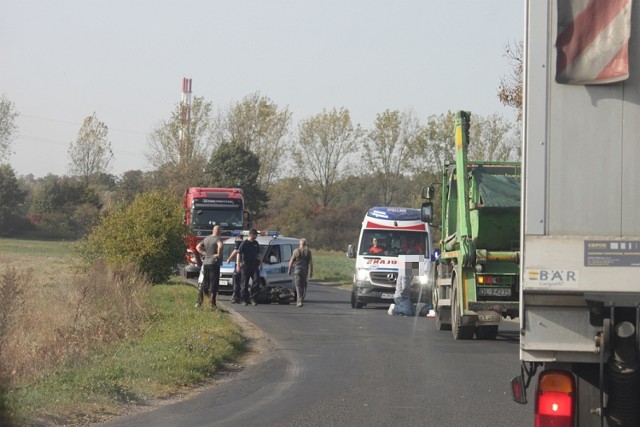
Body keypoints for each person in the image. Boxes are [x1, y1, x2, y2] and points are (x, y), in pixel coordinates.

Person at [196, 225, 224, 310]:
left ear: (213, 230)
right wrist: (218, 255)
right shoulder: (218, 238)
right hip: (214, 264)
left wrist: (204, 253)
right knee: (214, 284)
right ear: (219, 231)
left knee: (205, 283)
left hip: (206, 263)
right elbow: (220, 246)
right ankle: (212, 304)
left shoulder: (206, 238)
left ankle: (198, 302)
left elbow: (198, 247)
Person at [237, 228, 261, 306]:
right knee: (244, 283)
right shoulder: (244, 243)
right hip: (245, 265)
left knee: (256, 281)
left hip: (254, 265)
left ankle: (253, 298)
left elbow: (258, 254)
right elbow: (238, 254)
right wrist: (238, 265)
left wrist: (261, 263)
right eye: (255, 234)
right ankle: (243, 299)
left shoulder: (256, 243)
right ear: (251, 234)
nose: (256, 236)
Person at [288, 238, 313, 307]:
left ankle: (299, 301)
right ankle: (301, 299)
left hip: (297, 271)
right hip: (304, 271)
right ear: (305, 244)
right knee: (303, 285)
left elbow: (291, 261)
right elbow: (311, 263)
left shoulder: (296, 251)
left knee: (298, 286)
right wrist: (311, 272)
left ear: (300, 244)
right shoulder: (308, 252)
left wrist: (289, 270)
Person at [226, 234, 244, 303]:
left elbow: (235, 251)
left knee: (236, 280)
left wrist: (229, 258)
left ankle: (236, 296)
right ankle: (241, 297)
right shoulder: (246, 243)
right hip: (245, 264)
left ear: (237, 238)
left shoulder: (238, 242)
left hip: (239, 264)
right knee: (242, 281)